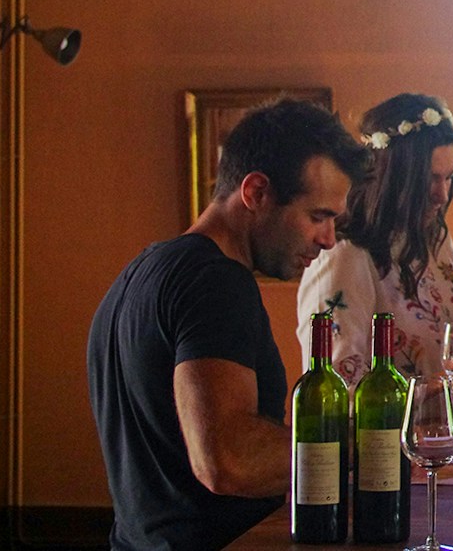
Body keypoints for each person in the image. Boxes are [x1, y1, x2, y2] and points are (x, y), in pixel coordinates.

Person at [87, 99, 368, 550]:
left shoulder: (138, 272)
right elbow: (228, 461)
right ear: (255, 192)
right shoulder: (217, 282)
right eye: (318, 216)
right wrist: (366, 443)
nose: (329, 239)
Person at [296, 93, 453, 380]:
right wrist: (448, 382)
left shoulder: (433, 241)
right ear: (392, 175)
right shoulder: (345, 255)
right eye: (429, 179)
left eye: (449, 177)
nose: (442, 195)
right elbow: (341, 387)